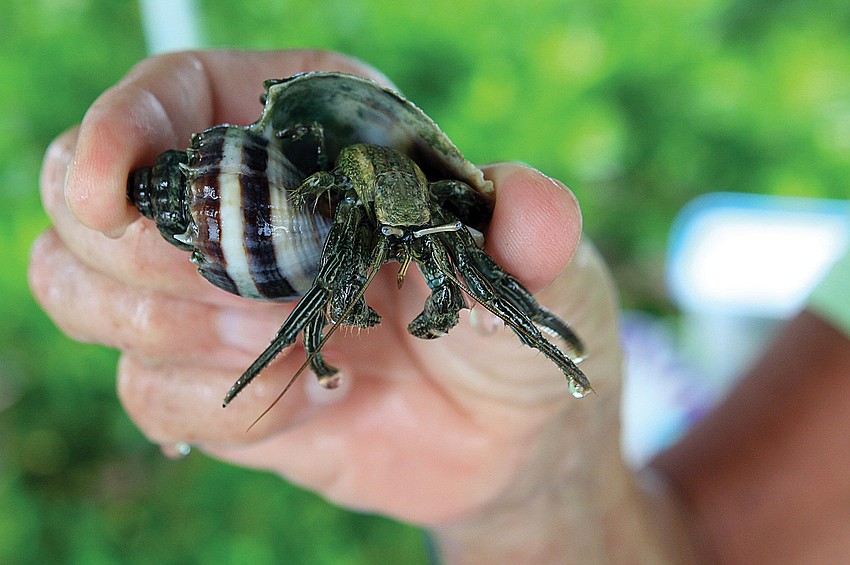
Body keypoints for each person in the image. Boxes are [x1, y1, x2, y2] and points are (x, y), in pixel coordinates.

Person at [27, 49, 850, 564]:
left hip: (385, 203)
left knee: (466, 255)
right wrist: (536, 488)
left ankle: (553, 346)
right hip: (335, 194)